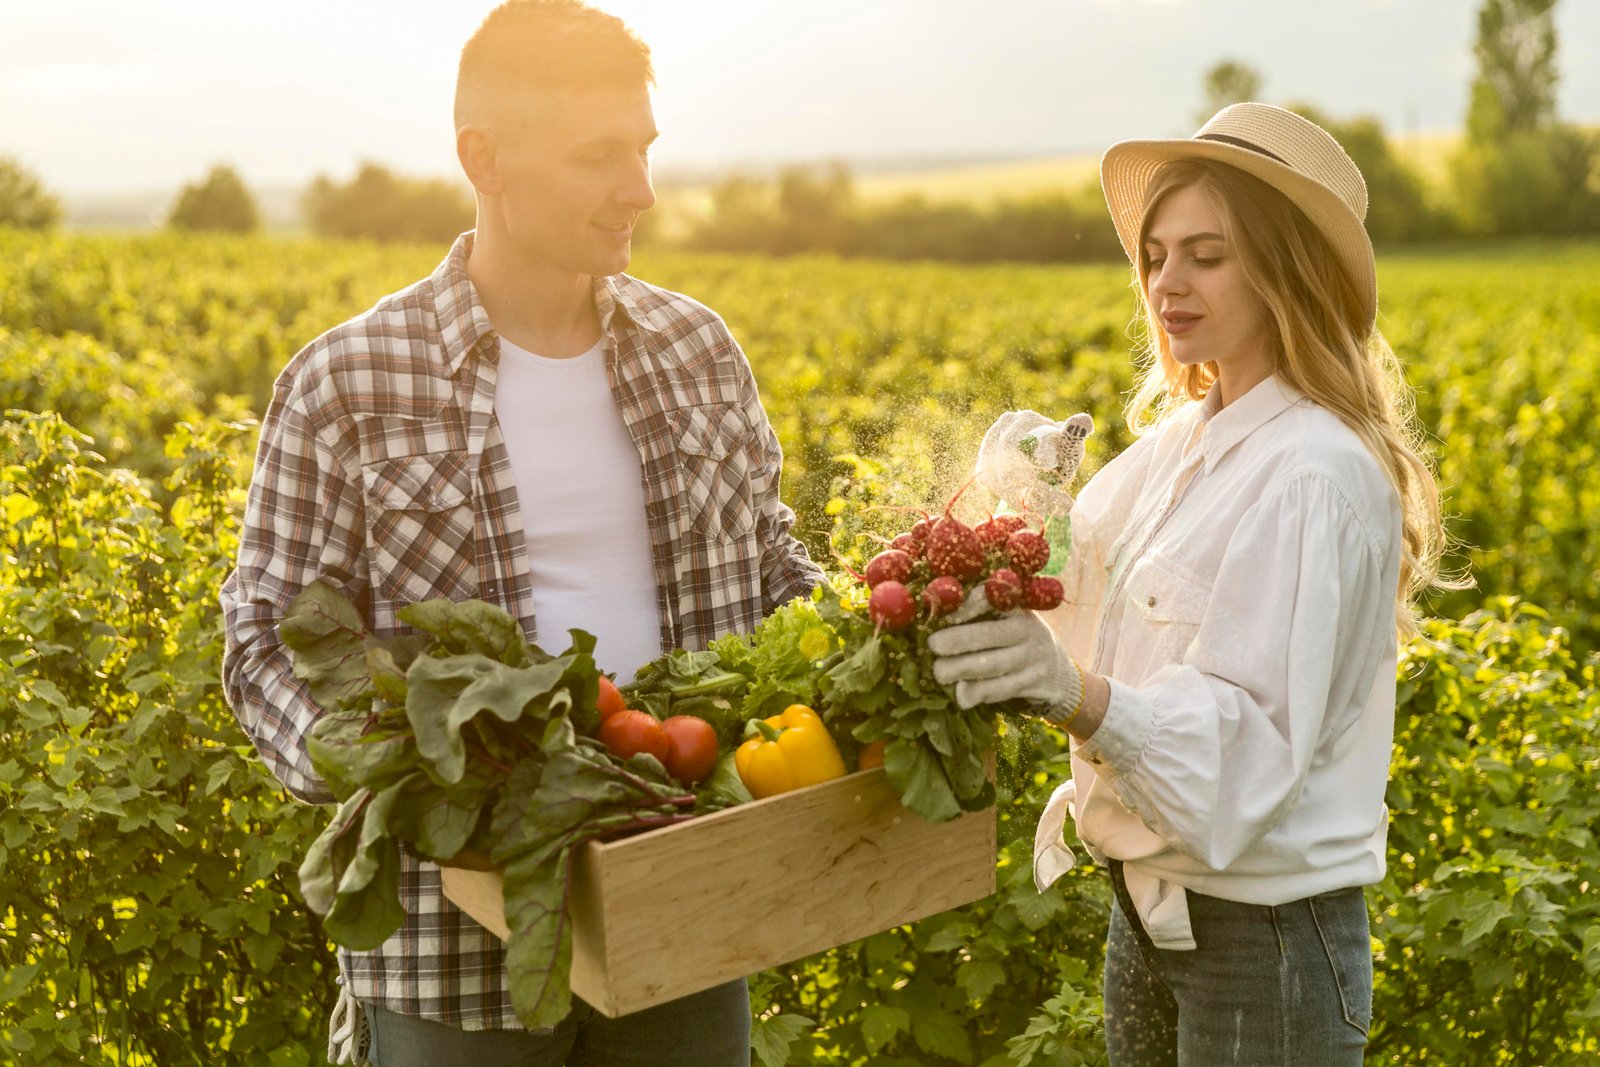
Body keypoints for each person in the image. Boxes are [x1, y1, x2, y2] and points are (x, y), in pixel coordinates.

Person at [219, 2, 822, 1063]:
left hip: (680, 897)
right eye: (600, 155)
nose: (638, 187)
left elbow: (771, 565)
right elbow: (264, 639)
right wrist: (403, 760)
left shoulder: (696, 349)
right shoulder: (348, 380)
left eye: (643, 149)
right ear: (483, 158)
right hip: (456, 941)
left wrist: (874, 640)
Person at [928, 103, 1451, 1065]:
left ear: (1287, 267)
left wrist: (1069, 693)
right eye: (1158, 255)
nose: (1169, 282)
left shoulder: (1314, 475)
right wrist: (1017, 508)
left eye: (1206, 253)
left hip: (1265, 941)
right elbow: (1072, 583)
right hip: (1151, 911)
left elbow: (1248, 748)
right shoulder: (1178, 447)